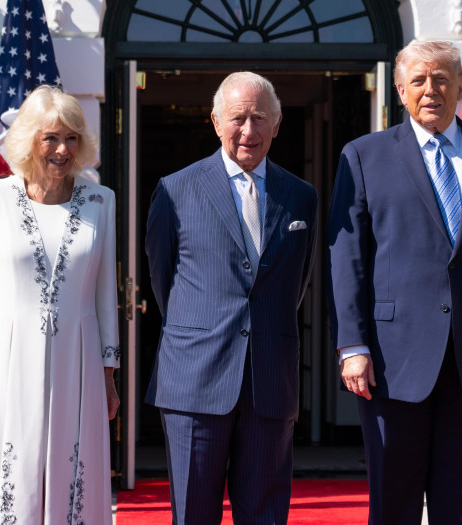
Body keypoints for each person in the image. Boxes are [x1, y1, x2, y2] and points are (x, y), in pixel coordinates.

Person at [326, 40, 462, 525]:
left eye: (442, 78)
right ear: (400, 90)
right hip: (389, 360)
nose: (431, 90)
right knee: (393, 500)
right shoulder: (363, 156)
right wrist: (352, 345)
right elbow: (348, 259)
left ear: (461, 87)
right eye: (419, 80)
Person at [144, 71, 318, 524]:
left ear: (277, 124)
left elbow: (296, 284)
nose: (248, 131)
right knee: (194, 513)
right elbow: (163, 280)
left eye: (260, 118)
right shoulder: (175, 189)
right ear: (215, 122)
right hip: (194, 381)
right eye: (238, 118)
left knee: (265, 513)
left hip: (270, 381)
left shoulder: (301, 197)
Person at [0, 84, 120, 525]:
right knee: (13, 475)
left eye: (71, 138)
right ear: (29, 140)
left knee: (73, 469)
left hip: (78, 360)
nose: (62, 149)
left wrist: (109, 373)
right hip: (4, 359)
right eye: (51, 138)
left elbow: (105, 294)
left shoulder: (102, 201)